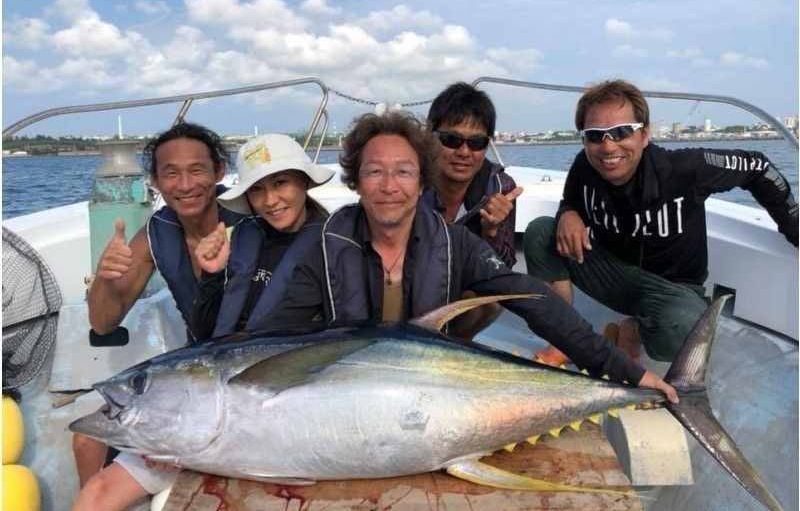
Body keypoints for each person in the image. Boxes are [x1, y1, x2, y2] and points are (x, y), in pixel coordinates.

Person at [265, 110, 678, 403]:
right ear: (356, 181)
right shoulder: (324, 245)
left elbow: (533, 300)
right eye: (375, 172)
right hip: (349, 394)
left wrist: (627, 371)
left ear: (422, 179)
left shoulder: (455, 243)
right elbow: (275, 336)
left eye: (404, 172)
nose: (389, 186)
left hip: (433, 391)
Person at [524, 79, 798, 365]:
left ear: (644, 134)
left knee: (686, 336)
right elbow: (572, 196)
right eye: (595, 135)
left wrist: (795, 227)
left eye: (621, 132)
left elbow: (758, 167)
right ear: (584, 140)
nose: (607, 146)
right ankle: (567, 339)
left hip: (673, 289)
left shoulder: (684, 170)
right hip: (615, 274)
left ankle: (633, 331)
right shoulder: (586, 164)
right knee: (541, 232)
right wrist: (568, 212)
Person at [74, 122, 245, 511]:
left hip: (245, 374)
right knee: (85, 440)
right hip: (194, 374)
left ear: (219, 171)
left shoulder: (250, 220)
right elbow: (102, 323)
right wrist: (104, 277)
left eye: (197, 170)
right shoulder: (158, 230)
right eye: (171, 173)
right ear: (154, 180)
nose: (185, 184)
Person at [192, 133, 334, 337]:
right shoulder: (235, 239)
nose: (270, 200)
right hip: (227, 358)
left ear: (305, 181)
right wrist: (212, 274)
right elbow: (203, 332)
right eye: (256, 189)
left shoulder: (333, 245)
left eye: (280, 183)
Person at [421, 82, 523, 339]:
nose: (464, 152)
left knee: (492, 299)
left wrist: (492, 232)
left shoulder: (500, 187)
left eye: (476, 143)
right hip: (410, 280)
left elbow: (503, 269)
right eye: (451, 140)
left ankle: (453, 346)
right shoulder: (410, 179)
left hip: (458, 285)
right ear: (430, 137)